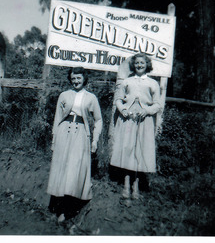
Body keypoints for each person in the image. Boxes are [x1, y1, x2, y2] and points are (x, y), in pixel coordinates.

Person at [47, 66, 103, 222]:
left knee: (74, 170)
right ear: (70, 79)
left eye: (79, 78)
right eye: (73, 78)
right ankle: (56, 207)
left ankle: (66, 210)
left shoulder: (91, 98)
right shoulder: (64, 95)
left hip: (81, 136)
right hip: (64, 132)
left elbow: (98, 120)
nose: (76, 81)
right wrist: (54, 139)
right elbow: (57, 118)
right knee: (61, 168)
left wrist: (95, 140)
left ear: (84, 78)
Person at [110, 53, 161, 200]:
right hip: (128, 120)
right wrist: (124, 111)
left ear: (147, 65)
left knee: (140, 151)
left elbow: (157, 104)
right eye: (137, 63)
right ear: (134, 65)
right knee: (128, 150)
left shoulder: (153, 83)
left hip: (144, 120)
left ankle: (136, 185)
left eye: (142, 63)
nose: (139, 65)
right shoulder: (127, 81)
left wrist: (147, 111)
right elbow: (119, 100)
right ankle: (126, 184)